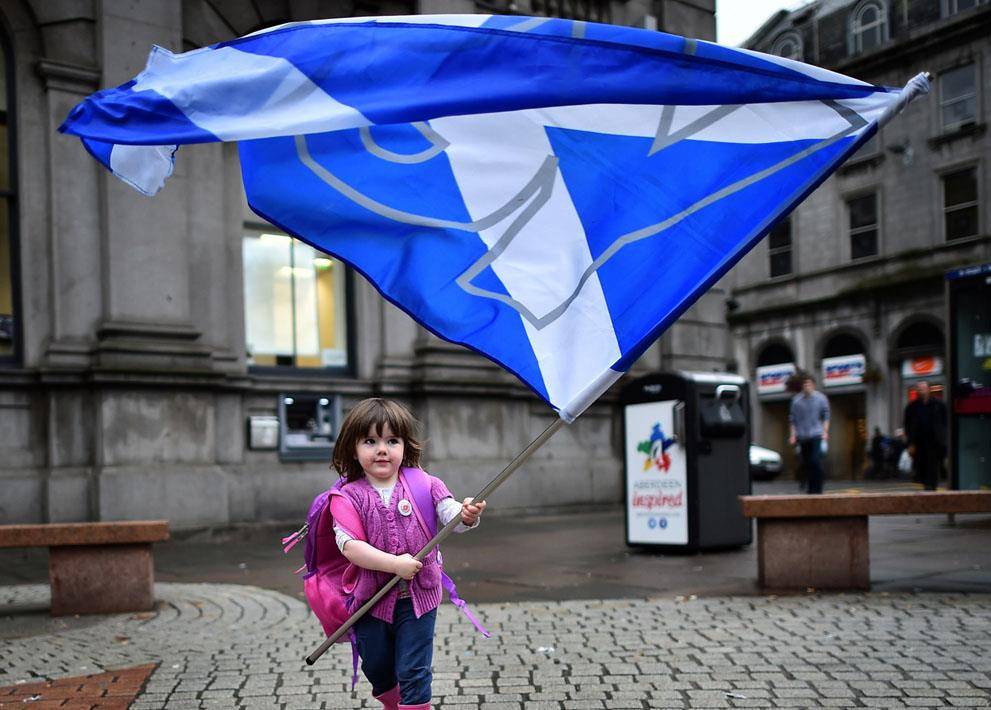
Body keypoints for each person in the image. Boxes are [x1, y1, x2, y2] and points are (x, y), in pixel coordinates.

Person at [330, 398, 485, 710]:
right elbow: (350, 546)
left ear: (405, 445)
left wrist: (466, 514)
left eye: (392, 440)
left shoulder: (424, 483)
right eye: (370, 441)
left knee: (414, 670)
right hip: (371, 601)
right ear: (354, 448)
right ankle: (392, 701)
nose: (382, 449)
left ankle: (413, 705)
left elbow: (449, 514)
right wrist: (393, 564)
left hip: (419, 599)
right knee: (377, 668)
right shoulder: (347, 496)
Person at [789, 375, 830, 494]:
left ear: (813, 385)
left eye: (809, 384)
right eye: (805, 384)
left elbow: (826, 415)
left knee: (815, 460)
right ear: (802, 386)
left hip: (816, 434)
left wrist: (825, 431)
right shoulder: (796, 401)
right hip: (802, 436)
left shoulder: (821, 398)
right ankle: (811, 488)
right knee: (806, 463)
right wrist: (792, 435)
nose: (807, 386)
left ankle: (818, 487)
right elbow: (793, 420)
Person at [903, 380, 947, 490]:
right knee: (920, 464)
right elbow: (907, 425)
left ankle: (932, 486)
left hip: (934, 440)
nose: (921, 390)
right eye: (919, 388)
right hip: (918, 441)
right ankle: (926, 484)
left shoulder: (938, 404)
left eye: (923, 388)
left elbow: (945, 421)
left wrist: (943, 438)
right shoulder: (911, 406)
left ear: (928, 389)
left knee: (933, 464)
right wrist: (910, 443)